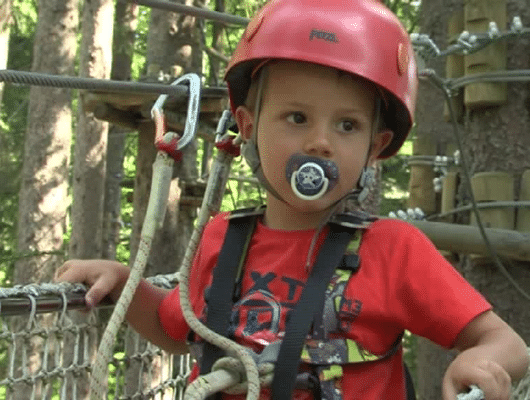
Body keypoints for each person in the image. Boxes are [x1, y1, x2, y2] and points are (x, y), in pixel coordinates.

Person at [55, 0, 529, 399]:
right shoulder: (223, 237)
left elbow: (506, 344)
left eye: (347, 126)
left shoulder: (394, 251)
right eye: (297, 117)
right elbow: (175, 330)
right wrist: (122, 282)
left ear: (375, 147)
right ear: (246, 126)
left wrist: (482, 362)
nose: (321, 142)